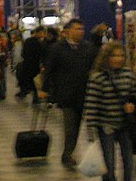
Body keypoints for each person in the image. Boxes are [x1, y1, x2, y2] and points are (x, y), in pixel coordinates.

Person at [84, 41, 136, 181]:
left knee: (129, 164)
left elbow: (135, 97)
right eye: (114, 56)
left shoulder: (129, 75)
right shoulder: (97, 78)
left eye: (121, 55)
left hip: (125, 126)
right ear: (106, 58)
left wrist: (133, 106)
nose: (118, 59)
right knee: (109, 165)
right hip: (106, 126)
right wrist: (91, 133)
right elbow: (91, 105)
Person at [39, 18, 97, 169]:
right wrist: (45, 90)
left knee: (80, 125)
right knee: (70, 126)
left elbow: (95, 67)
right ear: (68, 31)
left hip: (85, 93)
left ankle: (74, 151)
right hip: (67, 94)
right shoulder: (58, 48)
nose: (80, 32)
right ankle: (67, 154)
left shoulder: (88, 48)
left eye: (82, 29)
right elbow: (49, 70)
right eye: (77, 29)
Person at [17, 27, 44, 101]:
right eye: (41, 33)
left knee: (31, 80)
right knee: (34, 81)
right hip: (34, 65)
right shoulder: (38, 43)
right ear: (37, 32)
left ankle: (33, 94)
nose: (42, 35)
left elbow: (23, 53)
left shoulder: (28, 41)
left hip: (28, 64)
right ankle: (35, 96)